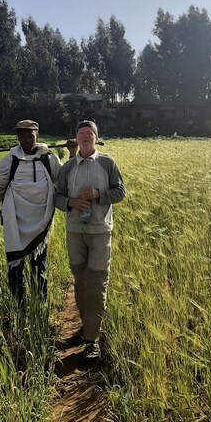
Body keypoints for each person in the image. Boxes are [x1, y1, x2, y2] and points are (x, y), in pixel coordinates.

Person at [0, 119, 76, 303]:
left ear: (37, 136)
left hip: (42, 221)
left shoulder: (48, 158)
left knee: (39, 267)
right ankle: (18, 309)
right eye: (22, 135)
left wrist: (73, 152)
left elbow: (66, 179)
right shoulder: (10, 159)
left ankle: (40, 308)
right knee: (15, 269)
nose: (27, 139)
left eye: (30, 135)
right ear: (18, 138)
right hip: (15, 221)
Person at [55, 120, 125, 359]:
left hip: (99, 232)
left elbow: (120, 192)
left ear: (96, 138)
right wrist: (71, 202)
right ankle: (86, 328)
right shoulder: (67, 167)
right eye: (81, 133)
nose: (85, 136)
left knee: (97, 283)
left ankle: (92, 339)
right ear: (76, 138)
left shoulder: (108, 163)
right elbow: (57, 196)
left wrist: (98, 194)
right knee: (80, 281)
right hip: (75, 232)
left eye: (90, 133)